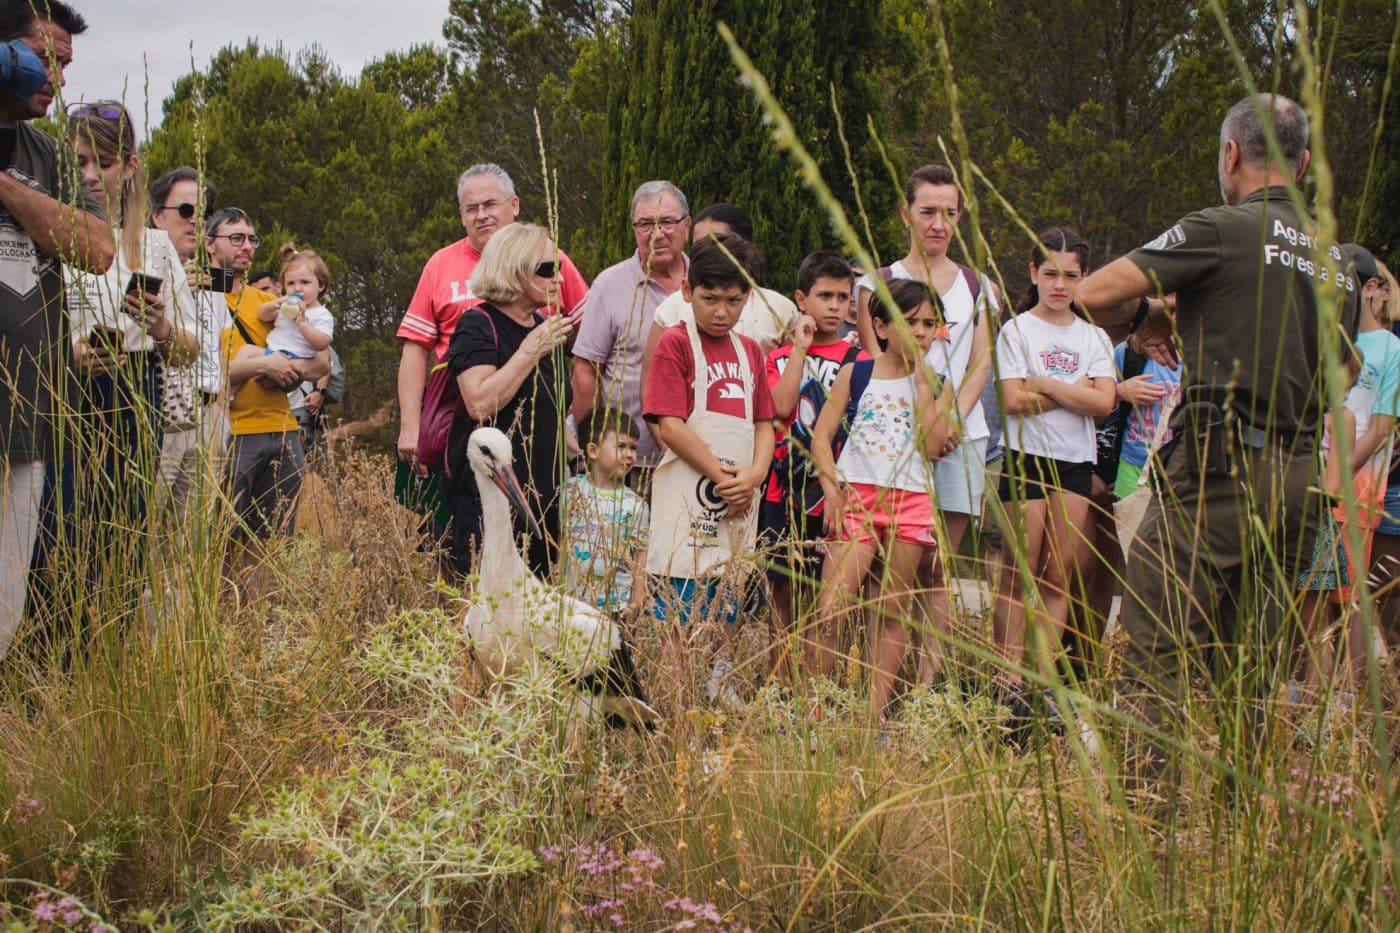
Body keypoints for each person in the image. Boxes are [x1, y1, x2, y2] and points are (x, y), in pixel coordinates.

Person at [1074, 94, 1363, 796]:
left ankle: (1155, 828)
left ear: (1232, 154)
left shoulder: (1221, 227)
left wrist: (1149, 314)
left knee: (1153, 651)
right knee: (1255, 669)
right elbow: (1346, 371)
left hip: (1215, 469)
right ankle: (1246, 830)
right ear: (1299, 164)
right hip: (1298, 477)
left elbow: (1091, 292)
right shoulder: (1338, 265)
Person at [0, 0, 114, 661]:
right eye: (44, 59)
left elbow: (97, 247)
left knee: (8, 607)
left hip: (28, 421)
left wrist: (9, 188)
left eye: (66, 65)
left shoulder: (45, 154)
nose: (58, 79)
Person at [854, 163, 997, 687]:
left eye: (950, 213)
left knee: (936, 567)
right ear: (905, 214)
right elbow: (876, 364)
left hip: (960, 438)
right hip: (891, 444)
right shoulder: (878, 284)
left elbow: (981, 361)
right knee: (885, 569)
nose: (939, 223)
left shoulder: (979, 286)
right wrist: (922, 424)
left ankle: (927, 687)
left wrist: (948, 420)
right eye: (928, 211)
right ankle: (876, 685)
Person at [394, 163, 587, 541]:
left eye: (489, 203)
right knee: (458, 551)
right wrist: (410, 425)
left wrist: (574, 430)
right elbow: (416, 350)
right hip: (470, 438)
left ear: (514, 204)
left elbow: (591, 336)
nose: (481, 214)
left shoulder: (546, 264)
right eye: (470, 208)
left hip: (542, 466)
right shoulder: (445, 271)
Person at [808, 278, 954, 721]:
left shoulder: (939, 383)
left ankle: (873, 716)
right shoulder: (859, 373)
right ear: (881, 326)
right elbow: (821, 437)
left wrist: (924, 384)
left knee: (893, 611)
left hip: (910, 504)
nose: (922, 332)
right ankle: (812, 707)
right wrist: (831, 491)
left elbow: (932, 448)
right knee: (831, 607)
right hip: (857, 498)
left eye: (930, 324)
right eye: (910, 322)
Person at [990, 228, 1116, 737]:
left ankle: (1041, 686)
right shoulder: (1016, 332)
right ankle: (1006, 681)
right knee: (1018, 572)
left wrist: (1042, 382)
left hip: (1073, 463)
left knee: (1059, 574)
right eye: (1050, 274)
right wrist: (1072, 390)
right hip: (1025, 458)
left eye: (1070, 275)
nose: (1059, 285)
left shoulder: (1093, 337)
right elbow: (1013, 401)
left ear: (1083, 277)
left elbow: (1105, 404)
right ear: (1033, 274)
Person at [643, 233, 776, 708]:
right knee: (682, 603)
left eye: (734, 301)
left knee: (727, 598)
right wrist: (722, 477)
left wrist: (756, 474)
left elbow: (765, 423)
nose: (722, 312)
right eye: (710, 298)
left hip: (739, 502)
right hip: (690, 501)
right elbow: (671, 426)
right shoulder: (676, 345)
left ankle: (718, 691)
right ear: (686, 290)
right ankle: (678, 703)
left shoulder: (751, 353)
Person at [1297, 246, 1399, 692]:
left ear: (1371, 287)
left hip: (1355, 490)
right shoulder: (1326, 336)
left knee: (1347, 601)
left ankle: (1348, 704)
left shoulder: (1390, 347)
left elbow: (1380, 430)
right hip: (1311, 483)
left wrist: (1329, 478)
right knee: (1316, 600)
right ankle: (1316, 696)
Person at [446, 222, 573, 576]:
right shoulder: (478, 324)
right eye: (547, 270)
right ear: (513, 271)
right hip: (493, 505)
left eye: (559, 267)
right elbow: (480, 404)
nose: (559, 279)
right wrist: (529, 351)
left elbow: (553, 412)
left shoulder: (546, 327)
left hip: (544, 506)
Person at [762, 250, 866, 679]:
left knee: (827, 594)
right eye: (825, 296)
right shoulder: (780, 356)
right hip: (782, 488)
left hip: (837, 492)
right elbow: (782, 406)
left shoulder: (859, 360)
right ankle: (780, 682)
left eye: (844, 297)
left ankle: (817, 685)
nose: (836, 306)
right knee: (782, 589)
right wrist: (800, 349)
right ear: (802, 299)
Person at [219, 208, 327, 582]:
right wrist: (259, 366)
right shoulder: (198, 299)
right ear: (209, 243)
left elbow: (320, 363)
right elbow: (202, 375)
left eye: (251, 238)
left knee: (269, 542)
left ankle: (256, 628)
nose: (246, 245)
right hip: (232, 435)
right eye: (236, 237)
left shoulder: (267, 301)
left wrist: (287, 368)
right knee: (220, 541)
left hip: (282, 431)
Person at [573, 180, 691, 476]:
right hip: (627, 461)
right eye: (645, 224)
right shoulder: (609, 286)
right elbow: (586, 371)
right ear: (634, 229)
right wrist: (591, 448)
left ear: (686, 225)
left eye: (667, 222)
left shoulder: (707, 286)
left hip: (697, 457)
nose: (657, 234)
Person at [640, 203, 798, 408]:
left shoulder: (780, 309)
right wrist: (669, 440)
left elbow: (791, 384)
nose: (721, 312)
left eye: (715, 242)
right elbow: (650, 390)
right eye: (698, 245)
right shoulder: (671, 308)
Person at [148, 165, 225, 515]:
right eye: (185, 211)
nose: (195, 221)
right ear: (157, 217)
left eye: (203, 213)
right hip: (153, 423)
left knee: (187, 545)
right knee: (141, 532)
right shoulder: (137, 263)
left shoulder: (210, 281)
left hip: (197, 419)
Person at [560, 407, 649, 621]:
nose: (629, 454)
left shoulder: (636, 505)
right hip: (572, 603)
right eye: (621, 446)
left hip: (615, 608)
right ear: (593, 450)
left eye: (634, 448)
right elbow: (562, 541)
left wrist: (637, 601)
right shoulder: (571, 491)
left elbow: (641, 558)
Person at [1364, 258, 1400, 652]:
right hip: (1368, 491)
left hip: (1382, 491)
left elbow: (1381, 427)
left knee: (1382, 603)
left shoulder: (1392, 347)